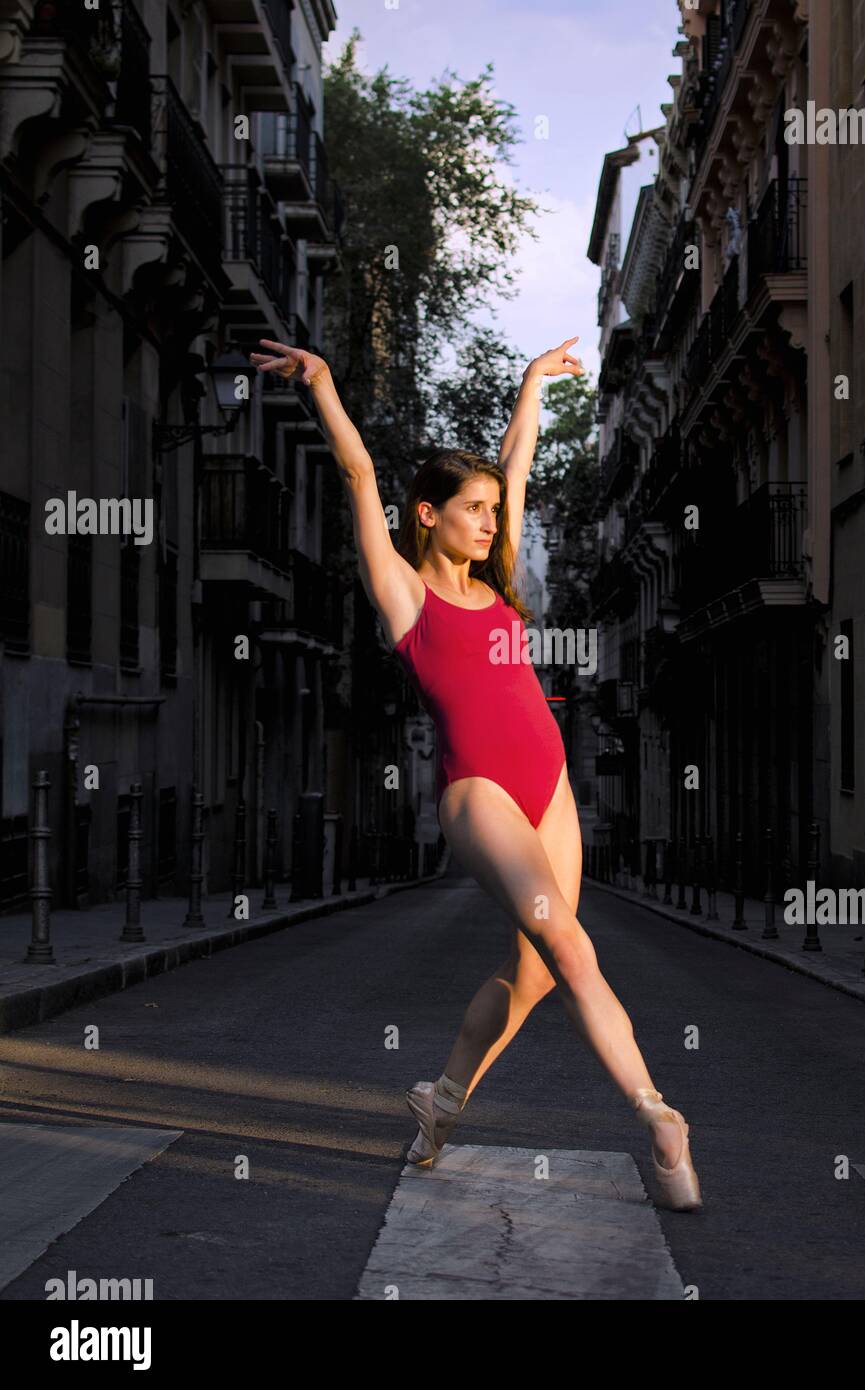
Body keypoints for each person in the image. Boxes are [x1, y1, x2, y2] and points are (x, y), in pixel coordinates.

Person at [249, 337, 702, 1212]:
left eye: (496, 510)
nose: (493, 521)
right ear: (426, 515)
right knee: (572, 947)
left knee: (533, 975)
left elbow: (517, 461)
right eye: (474, 509)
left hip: (549, 787)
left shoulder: (497, 584)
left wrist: (531, 384)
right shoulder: (404, 594)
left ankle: (441, 1100)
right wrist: (324, 384)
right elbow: (354, 471)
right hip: (480, 794)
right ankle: (659, 1115)